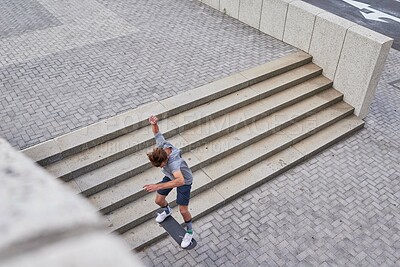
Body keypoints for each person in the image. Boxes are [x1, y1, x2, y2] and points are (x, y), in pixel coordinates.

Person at [143, 115, 194, 248]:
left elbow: (180, 181)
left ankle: (189, 231)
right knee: (158, 201)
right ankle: (167, 210)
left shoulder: (174, 164)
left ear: (165, 161)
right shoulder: (162, 147)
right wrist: (154, 124)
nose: (160, 167)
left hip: (184, 181)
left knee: (183, 210)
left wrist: (157, 186)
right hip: (170, 177)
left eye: (161, 165)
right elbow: (157, 133)